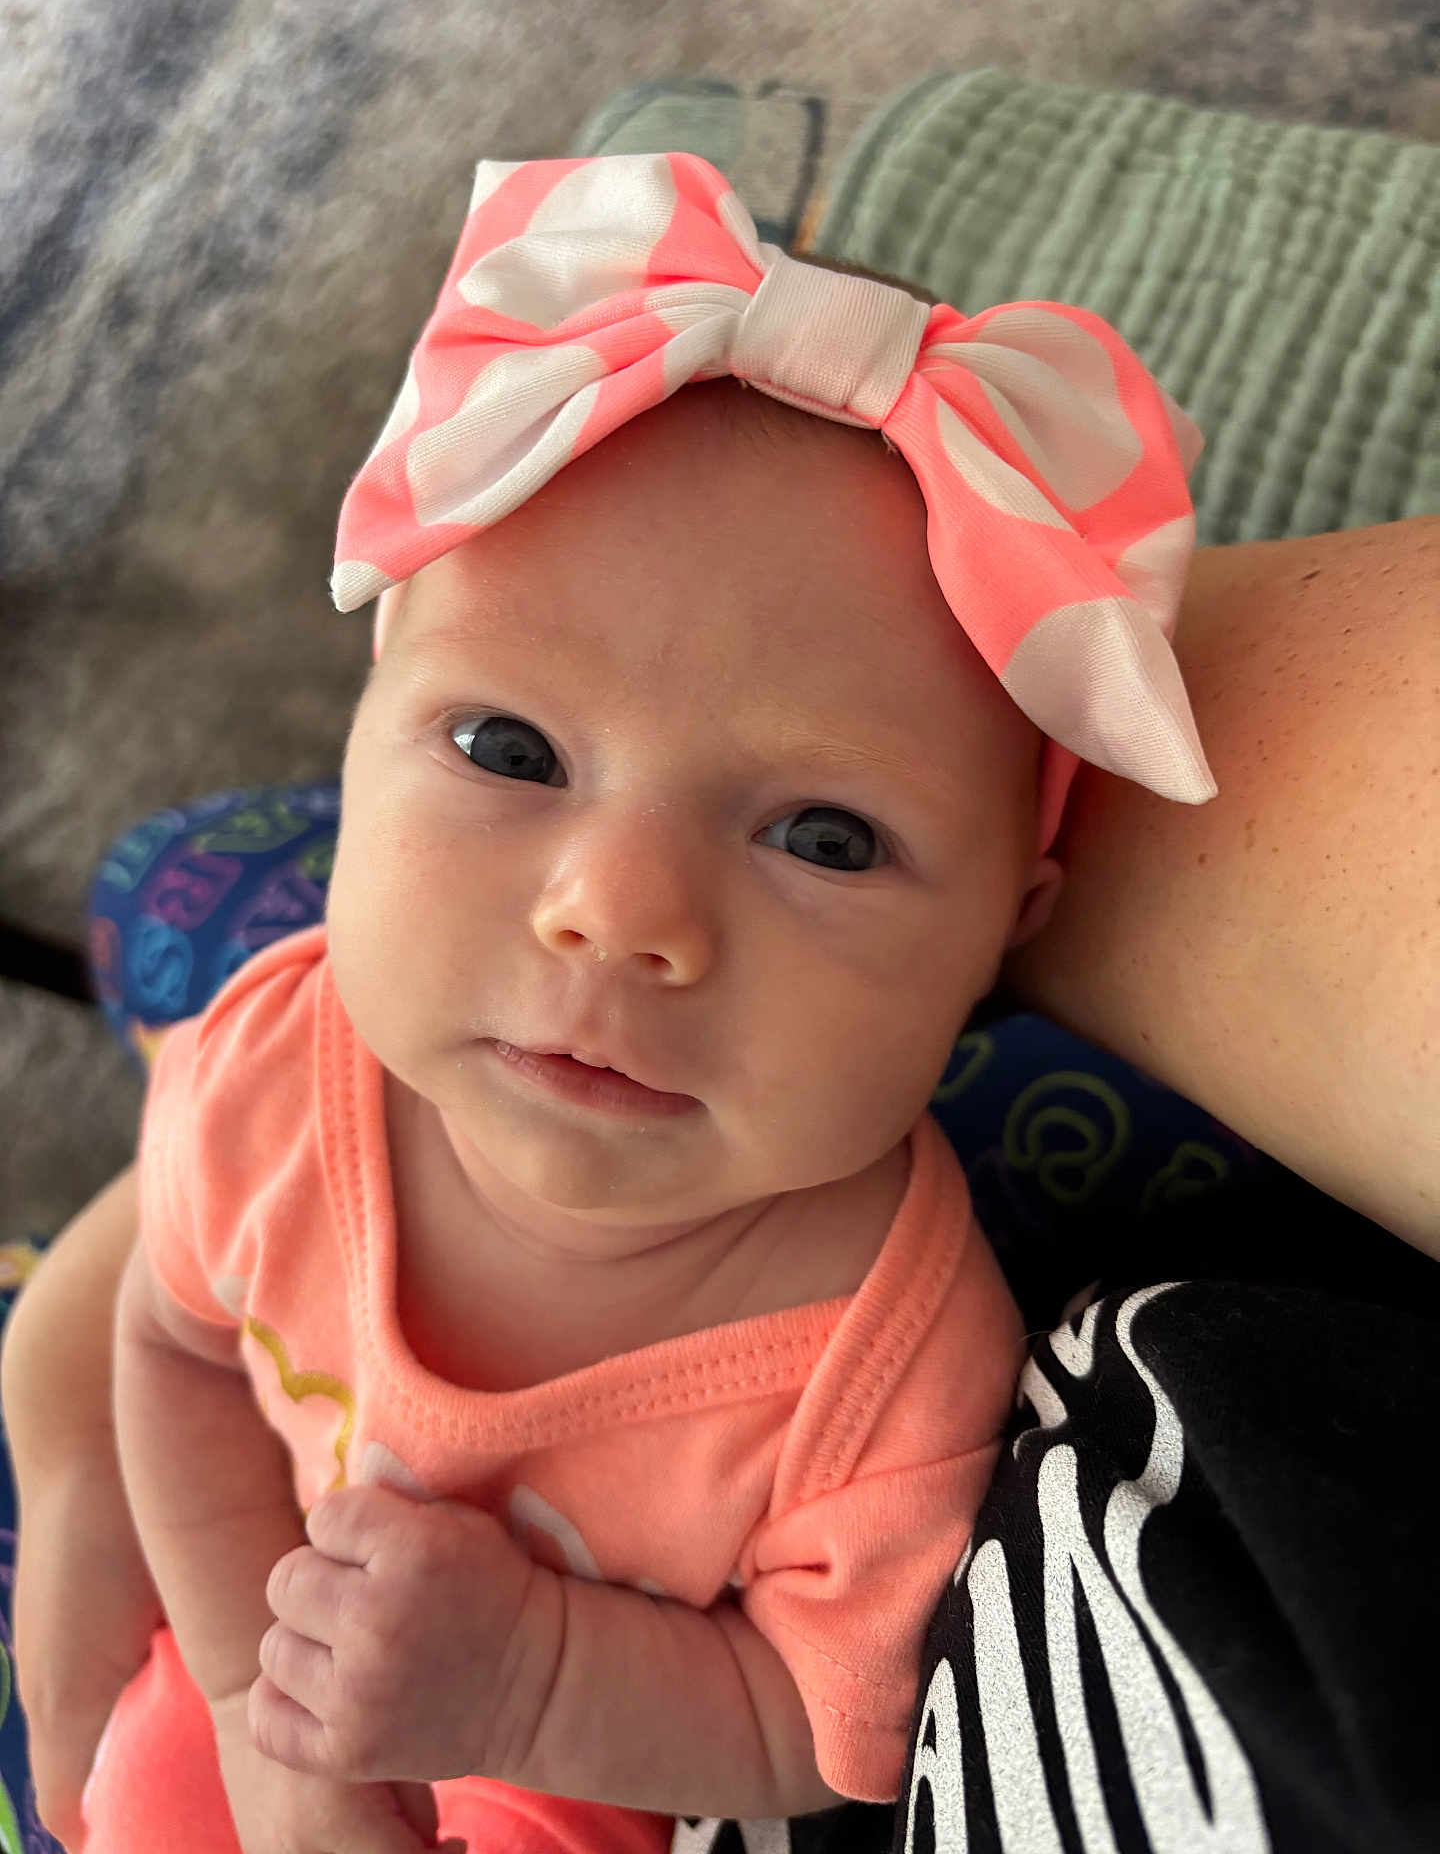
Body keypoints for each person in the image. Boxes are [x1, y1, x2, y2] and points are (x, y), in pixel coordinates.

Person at [5, 151, 1436, 1854]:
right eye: (505, 748)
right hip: (248, 1647)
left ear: (1008, 941)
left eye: (824, 838)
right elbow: (170, 1342)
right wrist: (259, 1709)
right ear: (363, 729)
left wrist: (529, 1676)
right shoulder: (268, 1061)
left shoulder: (884, 1370)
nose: (618, 915)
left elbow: (817, 1728)